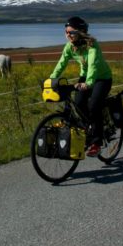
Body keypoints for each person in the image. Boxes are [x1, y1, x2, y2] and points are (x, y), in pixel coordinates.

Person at [50, 16, 113, 157]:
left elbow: (93, 65)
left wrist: (89, 83)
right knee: (78, 103)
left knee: (93, 105)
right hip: (85, 78)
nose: (68, 35)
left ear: (81, 32)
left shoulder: (92, 45)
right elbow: (61, 63)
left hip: (102, 78)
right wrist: (52, 79)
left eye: (71, 32)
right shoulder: (69, 47)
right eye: (66, 32)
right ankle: (89, 127)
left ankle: (97, 142)